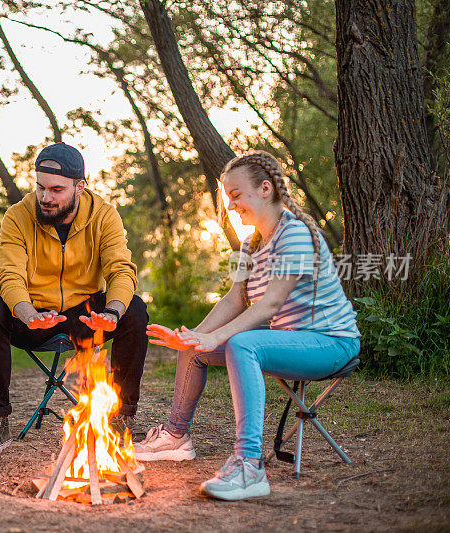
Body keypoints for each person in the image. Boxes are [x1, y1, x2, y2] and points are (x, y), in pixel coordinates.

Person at [136, 150, 360, 501]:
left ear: (266, 189)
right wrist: (196, 336)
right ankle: (175, 438)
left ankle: (249, 466)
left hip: (330, 342)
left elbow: (270, 303)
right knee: (193, 346)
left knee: (244, 344)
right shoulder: (249, 244)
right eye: (228, 198)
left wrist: (217, 337)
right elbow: (234, 299)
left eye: (236, 195)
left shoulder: (296, 234)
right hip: (290, 340)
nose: (231, 204)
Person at [0, 142, 149, 456]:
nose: (45, 197)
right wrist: (26, 312)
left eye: (56, 189)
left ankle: (122, 416)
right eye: (40, 187)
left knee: (134, 309)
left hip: (85, 316)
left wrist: (112, 311)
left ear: (80, 186)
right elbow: (8, 273)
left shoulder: (104, 215)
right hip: (33, 314)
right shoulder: (18, 216)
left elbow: (121, 269)